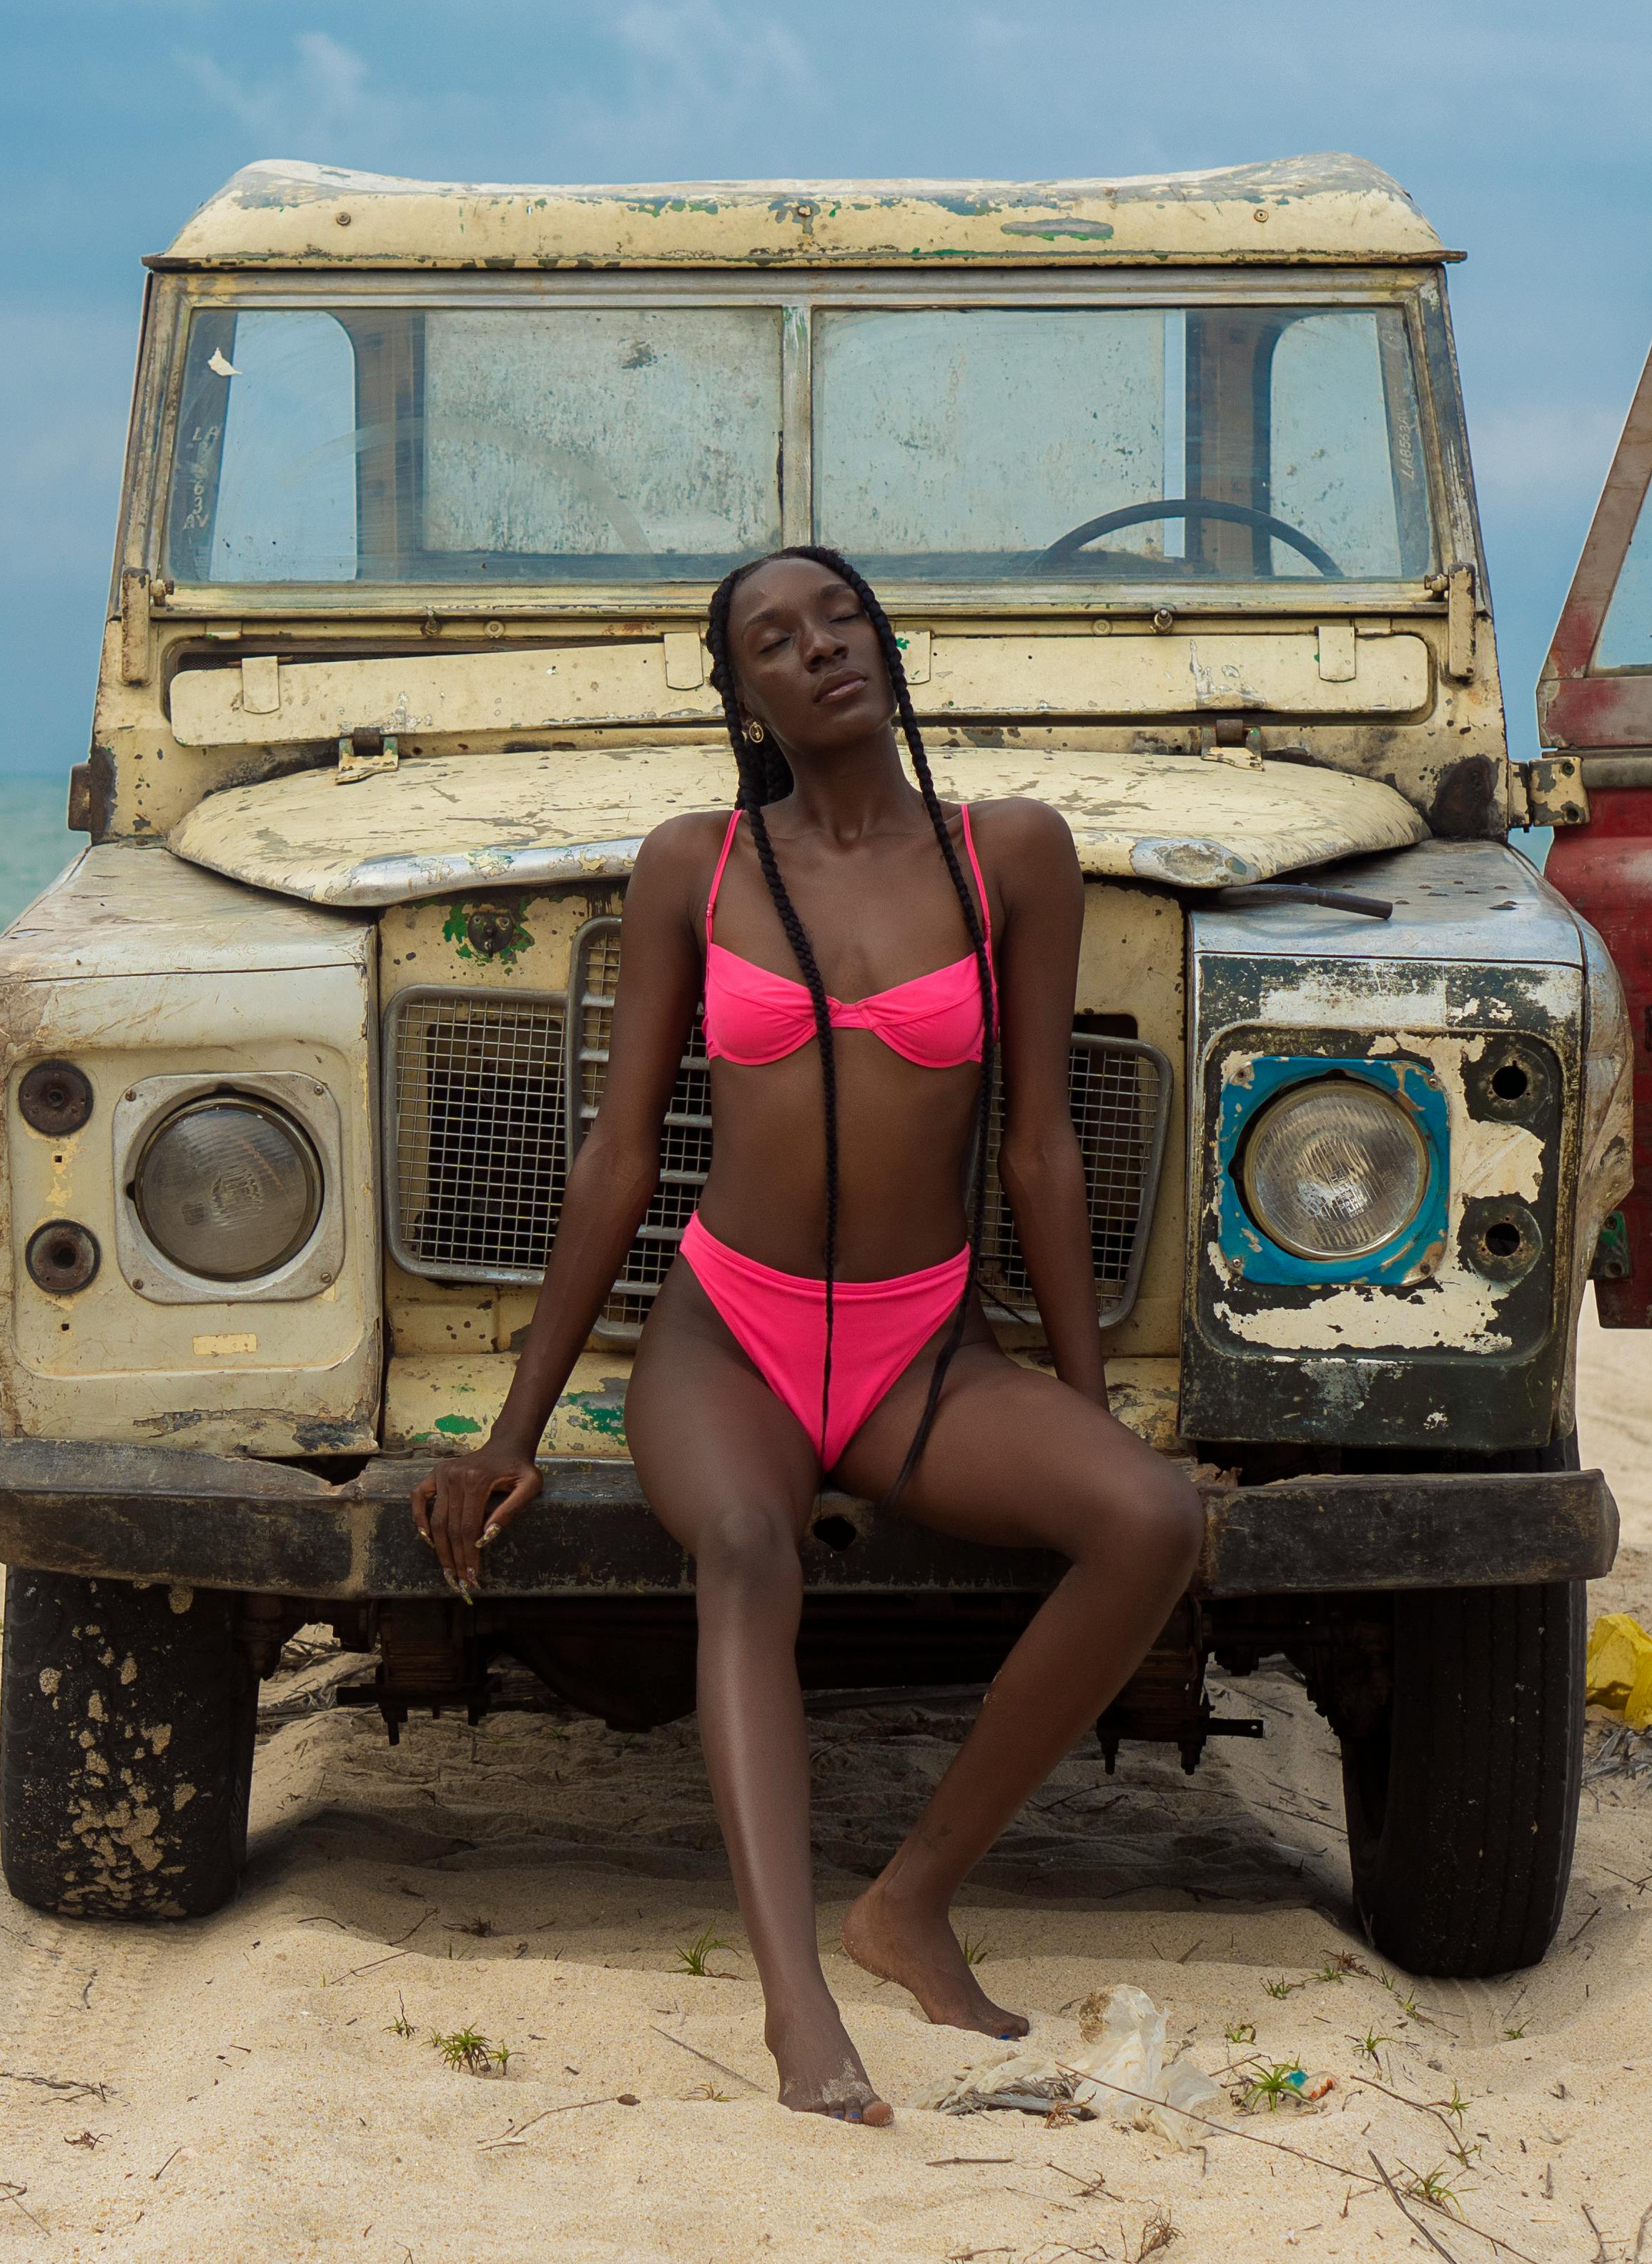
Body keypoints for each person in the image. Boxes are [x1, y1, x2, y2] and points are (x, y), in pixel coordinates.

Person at [411, 549, 1203, 2125]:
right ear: (745, 694)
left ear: (889, 645)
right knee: (750, 1550)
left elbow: (1042, 1149)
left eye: (841, 619)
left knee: (1151, 1517)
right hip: (728, 1335)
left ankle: (910, 1898)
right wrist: (511, 1429)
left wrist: (1087, 1395)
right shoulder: (694, 864)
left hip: (923, 1346)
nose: (820, 648)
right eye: (776, 638)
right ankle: (797, 2010)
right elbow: (620, 1157)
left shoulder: (1013, 857)